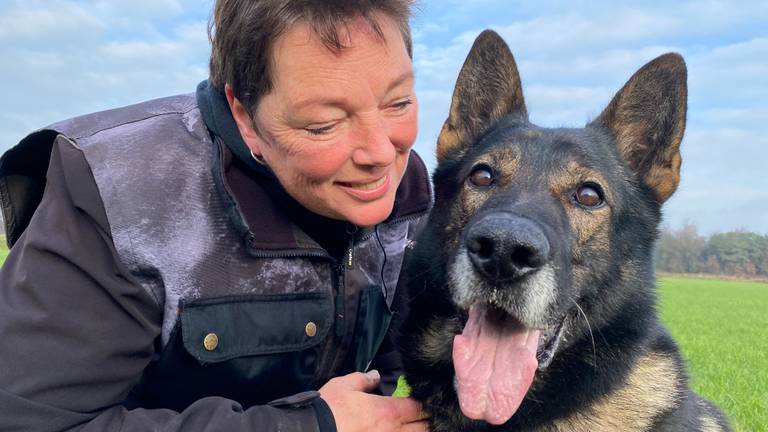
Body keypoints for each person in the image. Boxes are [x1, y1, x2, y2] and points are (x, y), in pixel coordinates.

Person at [0, 1, 432, 431]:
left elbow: (396, 360)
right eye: (323, 125)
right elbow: (27, 422)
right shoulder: (118, 196)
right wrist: (308, 426)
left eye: (397, 102)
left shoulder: (409, 195)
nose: (380, 153)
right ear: (245, 117)